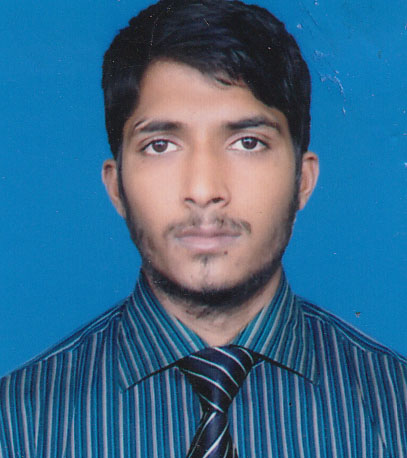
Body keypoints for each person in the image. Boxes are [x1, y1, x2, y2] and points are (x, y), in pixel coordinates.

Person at [1, 0, 406, 456]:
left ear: (303, 181)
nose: (203, 189)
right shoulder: (18, 425)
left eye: (247, 142)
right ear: (116, 187)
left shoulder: (396, 407)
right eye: (160, 145)